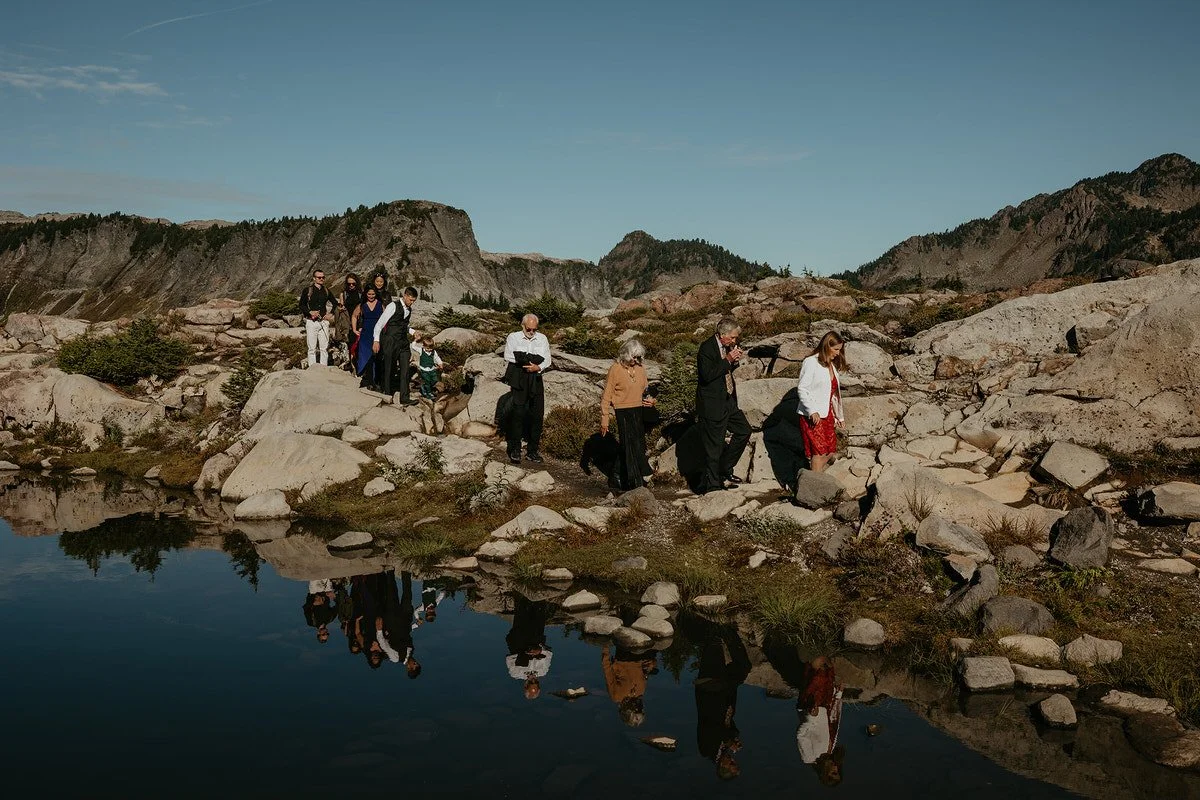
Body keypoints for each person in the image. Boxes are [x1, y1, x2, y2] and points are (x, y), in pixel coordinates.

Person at [694, 317, 751, 494]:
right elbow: (707, 375)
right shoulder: (706, 348)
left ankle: (725, 469)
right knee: (714, 445)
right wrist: (727, 359)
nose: (734, 341)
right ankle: (712, 485)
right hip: (712, 404)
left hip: (727, 400)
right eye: (732, 337)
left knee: (744, 430)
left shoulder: (727, 347)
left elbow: (724, 371)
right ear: (722, 334)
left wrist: (732, 361)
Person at [600, 338, 656, 491]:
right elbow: (607, 395)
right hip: (622, 410)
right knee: (631, 444)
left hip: (638, 410)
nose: (636, 360)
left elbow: (646, 391)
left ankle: (616, 476)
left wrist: (652, 401)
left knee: (632, 443)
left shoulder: (641, 369)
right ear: (626, 354)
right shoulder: (615, 369)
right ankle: (636, 481)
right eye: (634, 357)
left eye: (639, 357)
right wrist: (605, 418)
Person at [502, 313, 551, 465]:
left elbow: (547, 358)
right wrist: (530, 359)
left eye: (534, 329)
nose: (531, 332)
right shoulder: (513, 337)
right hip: (519, 376)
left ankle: (532, 450)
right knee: (518, 413)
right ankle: (515, 449)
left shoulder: (542, 338)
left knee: (537, 414)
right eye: (529, 329)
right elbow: (508, 355)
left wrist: (537, 366)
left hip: (536, 376)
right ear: (522, 325)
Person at [797, 332, 848, 473]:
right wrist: (811, 410)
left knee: (830, 451)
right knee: (818, 454)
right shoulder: (811, 362)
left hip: (828, 414)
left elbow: (833, 395)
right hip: (812, 415)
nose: (838, 353)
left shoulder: (831, 365)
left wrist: (839, 416)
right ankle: (815, 486)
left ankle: (813, 476)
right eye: (836, 349)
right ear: (827, 346)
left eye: (840, 350)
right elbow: (802, 388)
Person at [795, 655, 844, 786]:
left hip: (809, 708)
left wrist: (812, 718)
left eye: (833, 772)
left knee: (816, 674)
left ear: (824, 773)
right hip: (824, 706)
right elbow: (832, 723)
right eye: (838, 771)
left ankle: (811, 648)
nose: (836, 768)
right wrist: (838, 695)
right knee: (827, 672)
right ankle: (821, 647)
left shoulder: (809, 757)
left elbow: (801, 736)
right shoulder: (829, 752)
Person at [372, 286, 420, 404]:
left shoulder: (409, 309)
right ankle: (387, 394)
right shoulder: (393, 306)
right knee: (389, 367)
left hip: (403, 342)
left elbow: (403, 325)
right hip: (390, 341)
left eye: (414, 301)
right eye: (410, 300)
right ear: (405, 295)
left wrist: (413, 332)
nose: (412, 303)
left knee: (405, 370)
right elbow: (379, 324)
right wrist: (376, 341)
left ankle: (404, 398)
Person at [504, 592, 554, 700]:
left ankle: (521, 594)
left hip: (520, 639)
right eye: (536, 681)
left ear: (525, 684)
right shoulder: (543, 671)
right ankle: (540, 595)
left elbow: (508, 658)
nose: (533, 679)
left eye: (531, 682)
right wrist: (539, 651)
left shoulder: (515, 673)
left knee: (522, 611)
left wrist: (524, 656)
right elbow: (549, 654)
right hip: (536, 638)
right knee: (539, 611)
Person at [601, 644, 657, 727]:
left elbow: (607, 670)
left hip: (623, 659)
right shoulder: (640, 693)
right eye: (641, 710)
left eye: (637, 710)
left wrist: (605, 646)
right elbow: (646, 672)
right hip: (643, 657)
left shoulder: (616, 696)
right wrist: (652, 664)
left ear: (628, 711)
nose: (639, 708)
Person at [298, 269, 335, 367]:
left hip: (323, 322)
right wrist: (310, 312)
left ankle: (323, 368)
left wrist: (330, 314)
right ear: (314, 278)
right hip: (311, 322)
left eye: (323, 277)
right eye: (319, 277)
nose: (321, 279)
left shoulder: (326, 290)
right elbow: (301, 305)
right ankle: (313, 369)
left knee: (324, 348)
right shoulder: (307, 290)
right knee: (312, 348)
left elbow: (335, 303)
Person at [352, 285, 385, 389]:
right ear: (365, 294)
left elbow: (386, 318)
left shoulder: (381, 304)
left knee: (376, 357)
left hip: (377, 334)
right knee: (365, 356)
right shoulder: (362, 305)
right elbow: (354, 316)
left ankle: (375, 380)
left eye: (373, 294)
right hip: (365, 334)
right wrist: (354, 329)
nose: (371, 296)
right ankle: (368, 380)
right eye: (369, 294)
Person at [337, 273, 362, 369]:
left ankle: (359, 365)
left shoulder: (360, 294)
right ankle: (352, 366)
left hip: (358, 321)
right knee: (350, 343)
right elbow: (341, 306)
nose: (351, 285)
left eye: (353, 284)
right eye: (349, 284)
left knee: (359, 344)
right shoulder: (343, 294)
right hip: (348, 322)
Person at [302, 578, 337, 644]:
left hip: (314, 592)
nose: (326, 633)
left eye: (323, 634)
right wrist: (333, 596)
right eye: (327, 634)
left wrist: (313, 603)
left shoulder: (311, 622)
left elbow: (305, 608)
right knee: (326, 574)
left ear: (318, 633)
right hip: (326, 591)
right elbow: (338, 607)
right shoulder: (330, 619)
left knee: (313, 575)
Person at [410, 335, 444, 400]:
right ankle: (428, 394)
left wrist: (440, 363)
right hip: (424, 370)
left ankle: (424, 387)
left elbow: (437, 358)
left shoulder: (433, 352)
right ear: (423, 346)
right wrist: (415, 340)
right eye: (427, 348)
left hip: (432, 369)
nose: (429, 350)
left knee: (435, 380)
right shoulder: (421, 350)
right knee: (427, 381)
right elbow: (413, 346)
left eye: (431, 348)